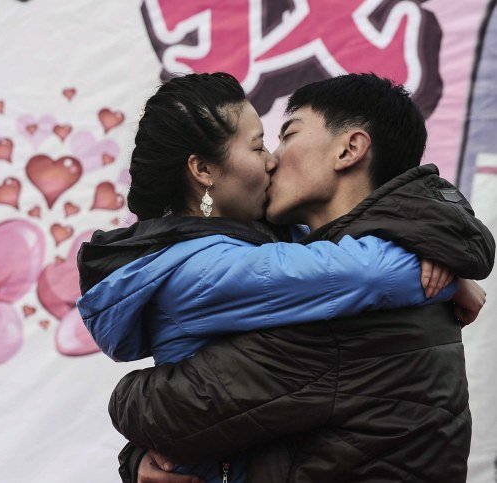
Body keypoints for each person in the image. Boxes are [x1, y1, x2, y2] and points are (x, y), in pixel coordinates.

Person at [77, 73, 492, 482]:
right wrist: (446, 271)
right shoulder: (209, 268)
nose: (272, 159)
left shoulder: (339, 306)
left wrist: (132, 421)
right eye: (259, 146)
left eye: (285, 136)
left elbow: (171, 407)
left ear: (349, 149)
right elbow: (368, 274)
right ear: (203, 169)